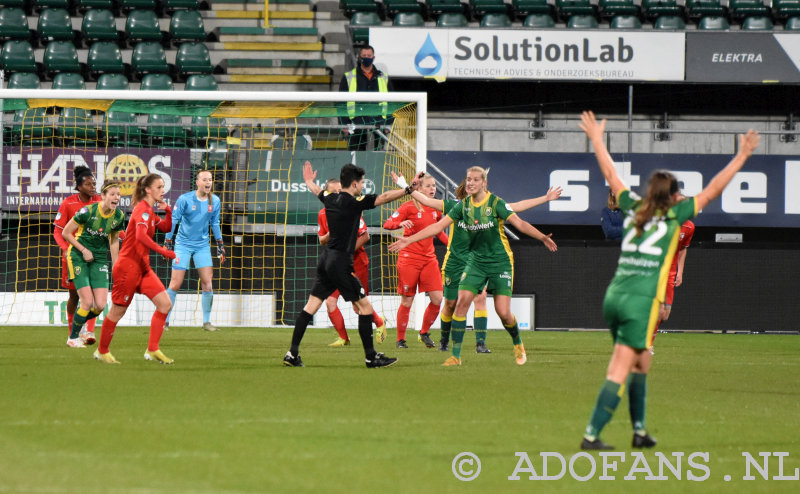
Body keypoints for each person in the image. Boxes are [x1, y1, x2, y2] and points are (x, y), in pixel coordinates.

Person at [578, 110, 759, 450]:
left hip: (614, 296)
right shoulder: (677, 215)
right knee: (621, 366)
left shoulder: (633, 206)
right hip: (640, 301)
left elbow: (611, 175)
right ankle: (591, 435)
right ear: (674, 196)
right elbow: (715, 188)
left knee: (641, 361)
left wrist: (598, 139)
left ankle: (640, 431)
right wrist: (743, 155)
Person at [390, 167, 558, 367]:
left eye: (473, 180)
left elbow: (518, 214)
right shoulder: (458, 207)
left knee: (500, 311)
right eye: (467, 180)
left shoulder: (495, 204)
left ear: (483, 184)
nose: (468, 184)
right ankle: (454, 352)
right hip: (468, 261)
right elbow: (434, 220)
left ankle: (501, 342)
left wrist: (542, 228)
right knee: (456, 303)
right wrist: (408, 238)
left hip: (495, 261)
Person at [283, 161, 422, 368]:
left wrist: (308, 181)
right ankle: (370, 357)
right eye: (362, 183)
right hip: (341, 262)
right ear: (355, 184)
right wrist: (408, 189)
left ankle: (292, 354)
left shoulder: (331, 198)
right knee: (365, 307)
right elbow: (384, 197)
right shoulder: (355, 202)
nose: (364, 186)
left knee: (311, 305)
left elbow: (317, 191)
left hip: (326, 259)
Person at [94, 174, 177, 365]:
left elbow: (164, 226)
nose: (163, 190)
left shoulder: (149, 211)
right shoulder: (142, 210)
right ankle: (102, 351)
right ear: (148, 189)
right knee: (117, 312)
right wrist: (163, 250)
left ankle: (153, 349)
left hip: (142, 267)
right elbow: (140, 236)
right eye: (159, 187)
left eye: (163, 187)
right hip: (127, 268)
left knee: (165, 304)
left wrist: (169, 212)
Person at [382, 174, 449, 349]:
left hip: (429, 260)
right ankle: (400, 340)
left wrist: (452, 246)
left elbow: (438, 231)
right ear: (418, 189)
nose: (432, 189)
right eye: (428, 186)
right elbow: (387, 224)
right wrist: (400, 223)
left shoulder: (436, 209)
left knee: (437, 298)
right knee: (407, 301)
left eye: (434, 185)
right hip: (409, 259)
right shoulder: (407, 207)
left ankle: (424, 333)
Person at [317, 178, 386, 347]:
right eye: (333, 192)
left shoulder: (350, 210)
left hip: (356, 262)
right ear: (326, 195)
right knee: (330, 301)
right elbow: (321, 240)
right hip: (337, 264)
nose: (337, 195)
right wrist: (329, 236)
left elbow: (366, 236)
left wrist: (345, 250)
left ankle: (379, 323)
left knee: (358, 307)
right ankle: (344, 338)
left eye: (340, 191)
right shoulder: (322, 214)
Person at [60, 181, 125, 348]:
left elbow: (114, 241)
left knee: (100, 305)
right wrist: (83, 250)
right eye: (112, 194)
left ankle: (79, 323)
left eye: (118, 194)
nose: (116, 197)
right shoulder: (87, 211)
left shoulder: (118, 216)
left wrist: (116, 265)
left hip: (100, 259)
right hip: (78, 256)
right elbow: (66, 233)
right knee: (87, 301)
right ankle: (73, 338)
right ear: (103, 196)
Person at [163, 169, 225, 332]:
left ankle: (206, 322)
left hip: (202, 246)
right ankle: (164, 321)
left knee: (208, 285)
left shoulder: (215, 201)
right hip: (182, 244)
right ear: (197, 182)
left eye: (210, 180)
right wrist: (168, 240)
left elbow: (215, 223)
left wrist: (220, 244)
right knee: (175, 284)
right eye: (204, 179)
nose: (208, 182)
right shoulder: (184, 199)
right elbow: (174, 219)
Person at [53, 166, 101, 344]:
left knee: (95, 294)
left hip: (95, 255)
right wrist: (66, 250)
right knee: (74, 296)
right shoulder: (68, 203)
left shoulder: (100, 201)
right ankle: (73, 332)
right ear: (79, 187)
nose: (92, 187)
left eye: (94, 183)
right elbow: (58, 232)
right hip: (74, 257)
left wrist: (124, 236)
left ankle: (89, 332)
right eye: (88, 184)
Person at [650, 200, 695, 353]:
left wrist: (679, 271)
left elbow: (682, 250)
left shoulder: (689, 227)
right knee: (657, 309)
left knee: (664, 314)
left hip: (670, 272)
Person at [339, 45, 393, 151]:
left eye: (369, 55)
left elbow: (392, 102)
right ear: (359, 57)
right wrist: (344, 123)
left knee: (378, 158)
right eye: (364, 55)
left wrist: (388, 123)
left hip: (379, 123)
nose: (367, 57)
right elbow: (340, 102)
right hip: (355, 123)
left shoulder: (383, 77)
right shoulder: (348, 76)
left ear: (373, 57)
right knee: (356, 157)